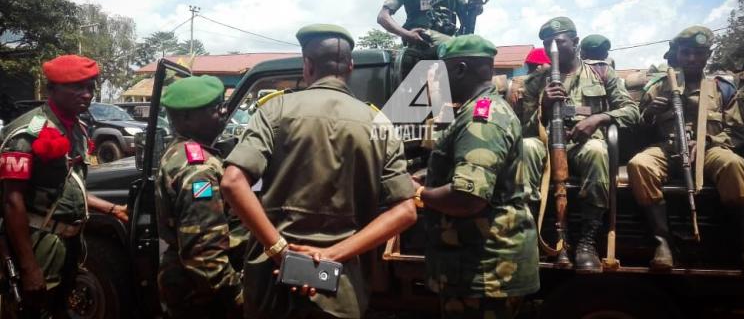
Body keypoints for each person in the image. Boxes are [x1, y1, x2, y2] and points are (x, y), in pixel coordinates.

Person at [220, 24, 417, 319]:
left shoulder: (275, 111)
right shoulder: (378, 123)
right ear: (350, 67)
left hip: (272, 284)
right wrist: (330, 256)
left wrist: (281, 251)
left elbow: (233, 182)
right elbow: (406, 212)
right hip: (341, 284)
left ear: (307, 65)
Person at [627, 26, 744, 273]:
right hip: (668, 148)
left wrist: (706, 142)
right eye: (686, 53)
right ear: (677, 55)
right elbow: (637, 133)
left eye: (698, 53)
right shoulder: (658, 86)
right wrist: (651, 114)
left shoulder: (722, 88)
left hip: (712, 149)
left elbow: (736, 133)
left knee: (735, 165)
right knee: (639, 165)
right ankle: (663, 243)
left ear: (708, 55)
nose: (692, 58)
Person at [414, 34, 539, 318]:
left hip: (482, 272)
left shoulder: (481, 117)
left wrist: (419, 194)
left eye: (441, 72)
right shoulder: (482, 109)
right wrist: (431, 179)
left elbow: (467, 198)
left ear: (459, 69)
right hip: (479, 269)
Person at [0, 54, 128, 316]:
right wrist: (28, 267)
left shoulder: (76, 129)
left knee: (59, 308)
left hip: (70, 244)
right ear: (52, 90)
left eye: (90, 87)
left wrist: (113, 209)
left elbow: (69, 187)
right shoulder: (28, 133)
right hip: (38, 245)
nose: (86, 94)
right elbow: (12, 202)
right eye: (77, 87)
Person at [520, 17, 639, 272]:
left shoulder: (601, 72)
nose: (552, 47)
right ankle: (529, 232)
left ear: (575, 42)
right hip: (546, 145)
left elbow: (631, 111)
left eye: (559, 42)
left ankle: (587, 240)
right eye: (547, 43)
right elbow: (524, 129)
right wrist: (543, 107)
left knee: (598, 151)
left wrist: (599, 118)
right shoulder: (535, 81)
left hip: (584, 145)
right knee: (526, 147)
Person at [155, 75, 243, 318]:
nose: (224, 113)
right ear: (186, 118)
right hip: (202, 296)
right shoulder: (197, 170)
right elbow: (204, 257)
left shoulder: (180, 151)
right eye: (216, 108)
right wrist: (240, 298)